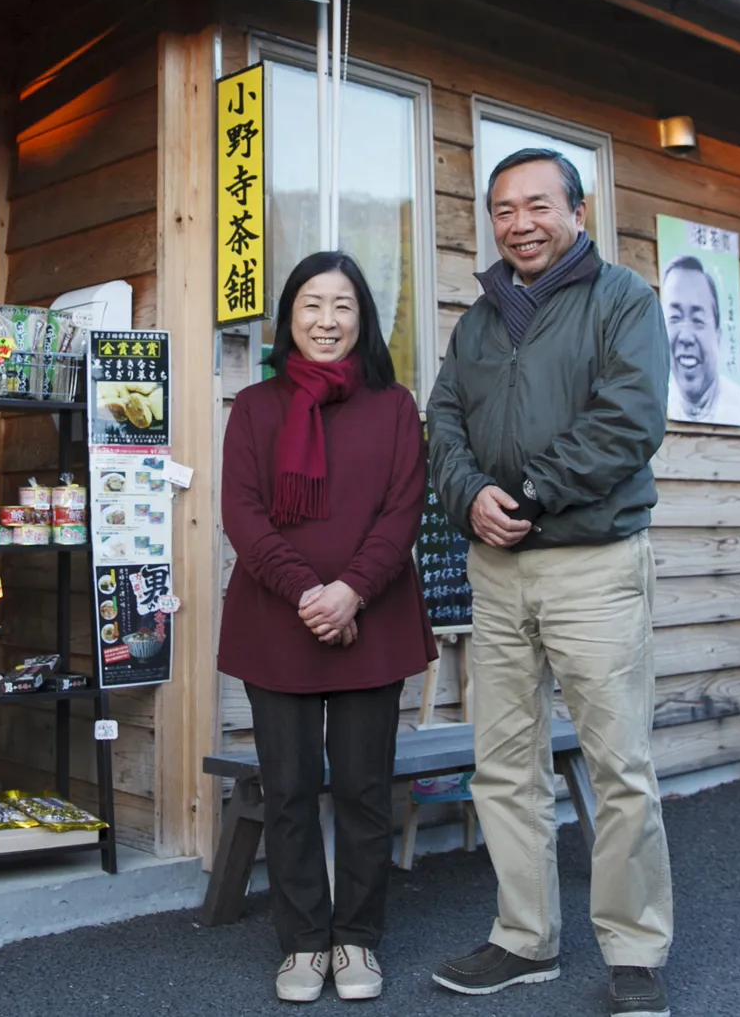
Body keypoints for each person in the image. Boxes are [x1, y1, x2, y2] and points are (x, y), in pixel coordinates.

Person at [427, 148, 675, 1017]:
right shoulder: (476, 321)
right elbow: (444, 421)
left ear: (577, 209)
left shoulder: (624, 299)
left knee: (618, 765)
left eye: (537, 204)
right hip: (495, 568)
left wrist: (528, 495)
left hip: (593, 562)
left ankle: (636, 950)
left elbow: (631, 419)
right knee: (502, 763)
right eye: (502, 209)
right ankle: (523, 938)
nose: (519, 223)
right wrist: (469, 498)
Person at [220, 251, 436, 1004]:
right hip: (275, 618)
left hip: (370, 620)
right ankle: (303, 942)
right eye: (312, 304)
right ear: (289, 317)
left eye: (342, 305)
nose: (326, 320)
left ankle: (359, 939)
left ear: (362, 319)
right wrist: (311, 593)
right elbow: (242, 514)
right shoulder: (254, 406)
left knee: (364, 789)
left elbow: (402, 511)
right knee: (287, 788)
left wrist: (349, 592)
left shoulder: (396, 404)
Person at [661, 256, 740, 426]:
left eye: (698, 320)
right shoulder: (657, 404)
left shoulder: (735, 405)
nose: (685, 337)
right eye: (675, 318)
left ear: (718, 335)